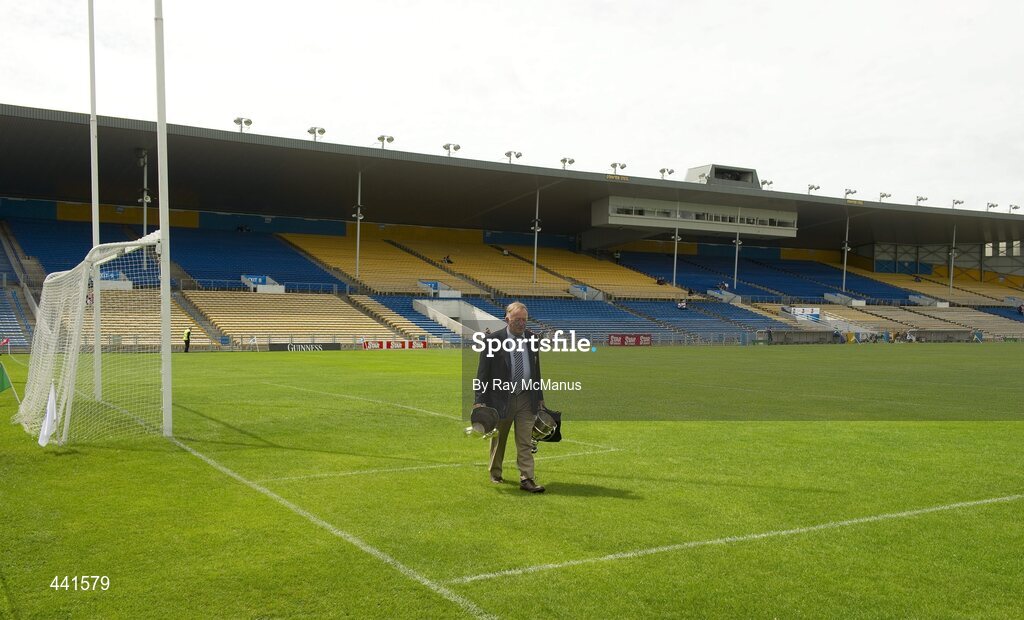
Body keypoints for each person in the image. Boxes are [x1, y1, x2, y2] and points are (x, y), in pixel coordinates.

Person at [473, 301, 546, 493]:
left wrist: (539, 397)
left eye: (524, 320)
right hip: (500, 398)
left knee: (525, 441)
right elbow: (482, 373)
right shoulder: (492, 340)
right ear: (507, 319)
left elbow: (536, 371)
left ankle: (527, 478)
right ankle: (495, 472)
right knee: (499, 439)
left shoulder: (532, 339)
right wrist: (479, 400)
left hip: (525, 397)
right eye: (517, 320)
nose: (521, 324)